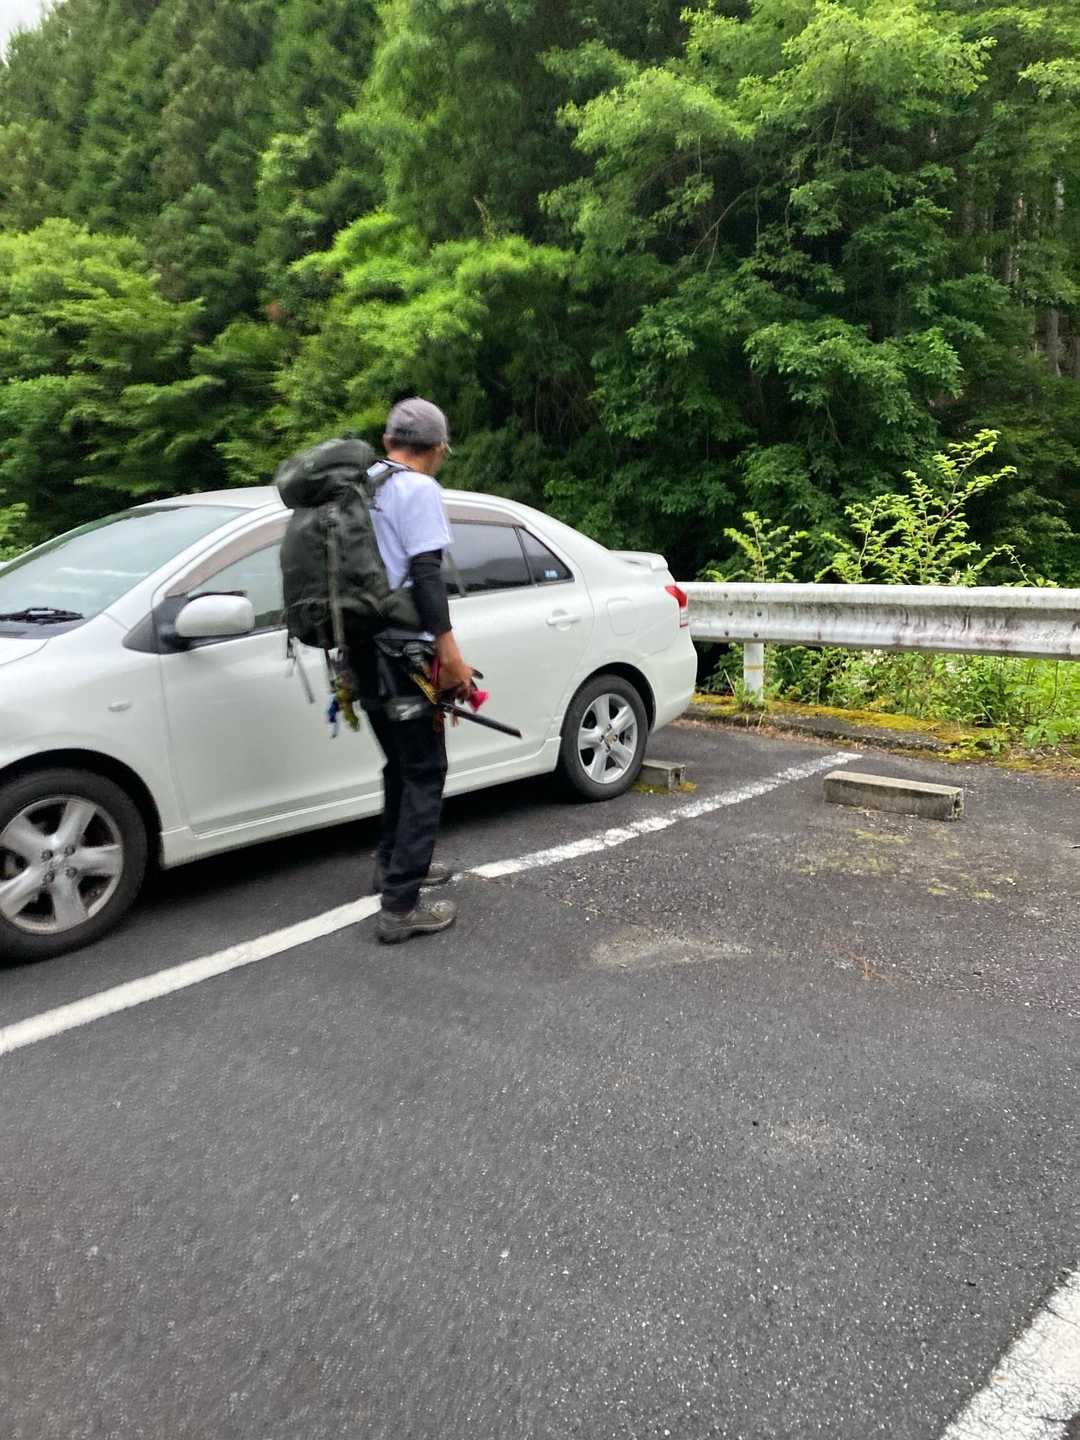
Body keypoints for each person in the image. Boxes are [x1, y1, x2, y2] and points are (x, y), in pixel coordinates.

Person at [350, 397, 474, 944]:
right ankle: (400, 906)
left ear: (387, 442)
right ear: (439, 448)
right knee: (425, 770)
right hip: (404, 655)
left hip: (358, 650)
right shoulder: (418, 489)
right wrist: (450, 654)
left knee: (399, 764)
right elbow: (426, 575)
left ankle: (392, 865)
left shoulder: (360, 485)